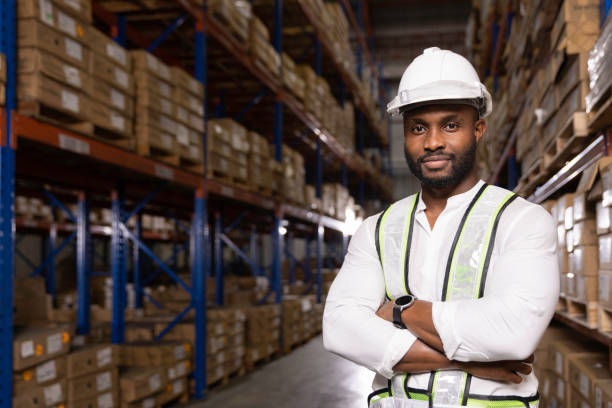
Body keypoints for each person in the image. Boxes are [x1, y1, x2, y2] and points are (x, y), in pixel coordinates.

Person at [322, 47, 559, 408]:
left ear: (478, 129)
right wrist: (470, 360)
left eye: (450, 125)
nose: (432, 141)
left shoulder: (521, 220)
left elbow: (514, 334)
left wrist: (400, 311)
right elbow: (340, 329)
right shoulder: (376, 230)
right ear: (405, 133)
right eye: (419, 127)